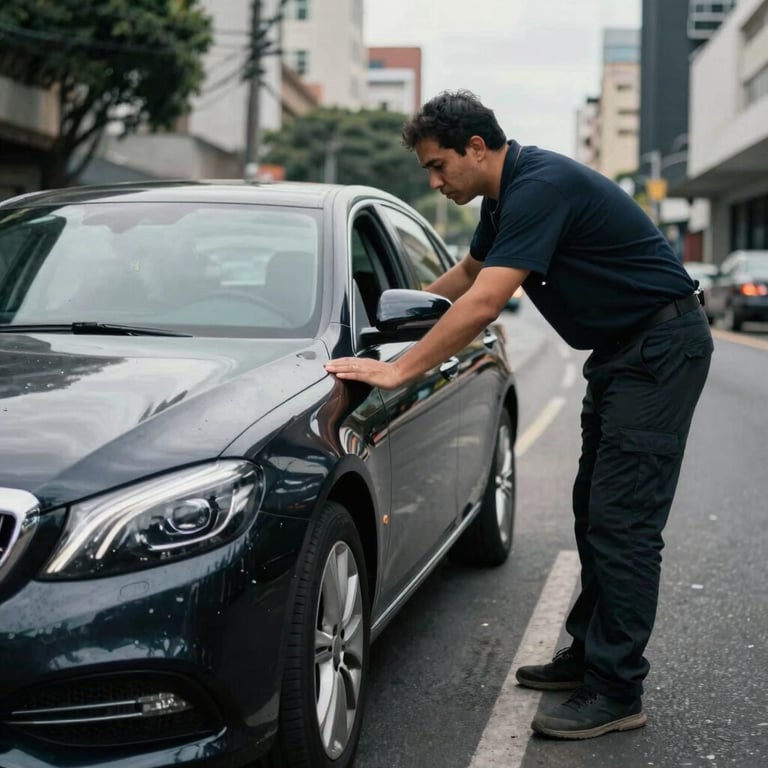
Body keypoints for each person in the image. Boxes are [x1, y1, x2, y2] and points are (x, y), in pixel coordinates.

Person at [324, 90, 713, 740]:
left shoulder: (540, 186)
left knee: (625, 523)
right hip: (625, 353)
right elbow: (468, 272)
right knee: (595, 511)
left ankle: (617, 691)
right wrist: (385, 316)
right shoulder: (506, 200)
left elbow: (483, 302)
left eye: (438, 165)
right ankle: (590, 657)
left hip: (659, 350)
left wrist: (397, 369)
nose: (435, 180)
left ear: (477, 148)